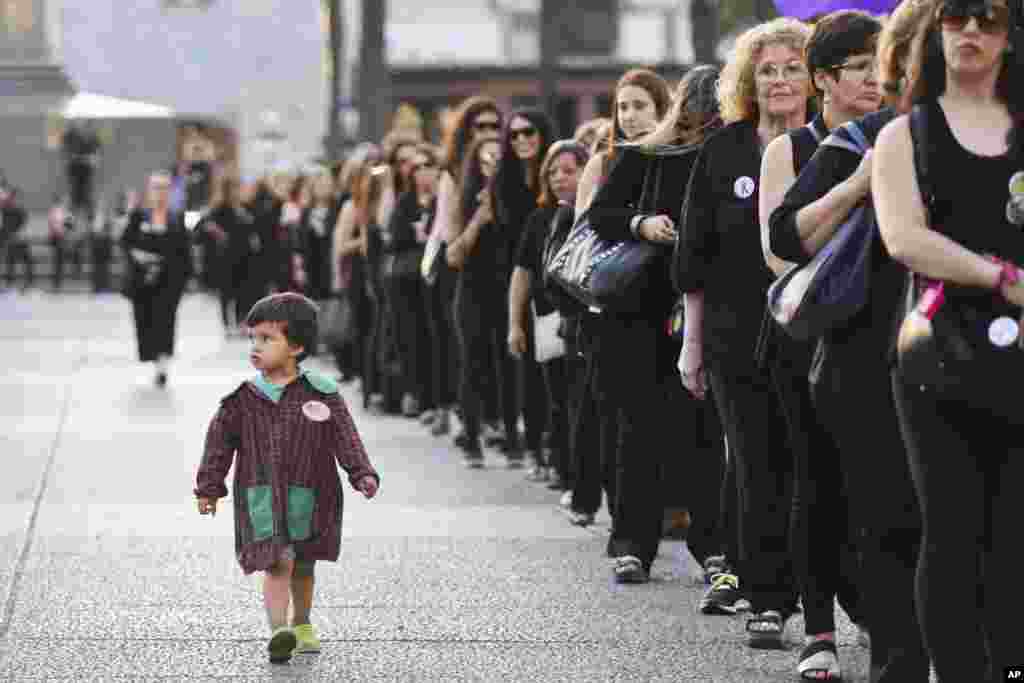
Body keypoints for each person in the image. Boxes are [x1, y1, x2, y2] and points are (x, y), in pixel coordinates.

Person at [766, 1, 934, 679]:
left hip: (969, 354)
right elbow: (783, 236)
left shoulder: (1002, 135)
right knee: (885, 521)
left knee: (967, 526)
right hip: (861, 355)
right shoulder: (866, 139)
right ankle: (881, 652)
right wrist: (861, 186)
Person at [873, 0, 1024, 678]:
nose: (970, 31)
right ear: (936, 34)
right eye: (957, 17)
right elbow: (904, 238)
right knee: (953, 527)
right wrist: (1001, 276)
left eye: (988, 19)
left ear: (1010, 38)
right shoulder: (906, 136)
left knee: (1015, 532)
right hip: (937, 353)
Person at [676, 17, 811, 649]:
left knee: (820, 468)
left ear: (816, 77)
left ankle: (835, 597)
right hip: (736, 334)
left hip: (820, 330)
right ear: (748, 82)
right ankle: (768, 597)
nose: (781, 80)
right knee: (756, 466)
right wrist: (692, 342)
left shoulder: (836, 144)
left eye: (792, 67)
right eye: (768, 70)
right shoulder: (724, 149)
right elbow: (694, 260)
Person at [757, 11, 882, 680]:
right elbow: (779, 257)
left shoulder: (897, 134)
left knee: (877, 483)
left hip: (876, 330)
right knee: (815, 480)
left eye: (881, 63)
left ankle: (877, 605)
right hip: (806, 333)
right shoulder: (794, 151)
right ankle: (820, 631)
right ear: (826, 79)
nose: (875, 77)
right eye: (861, 65)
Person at [194, 292, 380, 664]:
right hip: (261, 494)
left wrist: (361, 473)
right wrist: (209, 488)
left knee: (304, 564)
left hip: (310, 493)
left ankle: (303, 622)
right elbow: (218, 445)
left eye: (267, 339)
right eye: (253, 338)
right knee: (276, 561)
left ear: (295, 346)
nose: (256, 346)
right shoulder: (241, 401)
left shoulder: (322, 395)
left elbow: (345, 437)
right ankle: (279, 630)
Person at [508, 139, 589, 486]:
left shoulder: (593, 214)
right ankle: (562, 467)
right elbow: (522, 273)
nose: (559, 178)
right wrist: (515, 323)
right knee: (557, 398)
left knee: (584, 400)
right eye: (552, 172)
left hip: (587, 320)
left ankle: (585, 472)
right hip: (548, 320)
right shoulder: (540, 219)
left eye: (568, 171)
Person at [120, 171, 193, 387]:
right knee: (145, 322)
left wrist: (185, 279)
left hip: (169, 281)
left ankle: (162, 366)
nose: (160, 192)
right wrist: (138, 256)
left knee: (166, 322)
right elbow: (126, 242)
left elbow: (184, 250)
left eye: (164, 187)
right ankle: (152, 356)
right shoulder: (138, 216)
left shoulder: (177, 217)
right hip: (143, 281)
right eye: (156, 187)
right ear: (149, 190)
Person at [1, 187, 31, 290]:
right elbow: (5, 226)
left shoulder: (21, 210)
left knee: (27, 261)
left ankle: (27, 283)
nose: (17, 200)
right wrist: (11, 235)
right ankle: (10, 283)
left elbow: (25, 224)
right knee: (11, 261)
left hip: (21, 239)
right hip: (11, 239)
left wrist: (22, 234)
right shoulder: (6, 210)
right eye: (15, 198)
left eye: (19, 198)